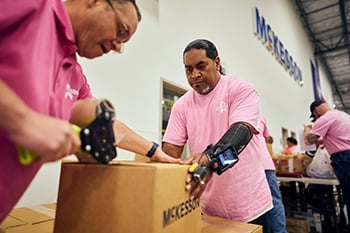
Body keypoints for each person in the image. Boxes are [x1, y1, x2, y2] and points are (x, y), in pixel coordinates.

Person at [0, 0, 180, 223]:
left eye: (122, 43)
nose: (117, 47)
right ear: (93, 2)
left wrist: (154, 151)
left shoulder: (75, 75)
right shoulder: (32, 6)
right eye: (120, 31)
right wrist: (22, 121)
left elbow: (105, 125)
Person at [162, 39, 273, 232]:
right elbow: (171, 150)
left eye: (201, 66)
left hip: (250, 207)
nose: (195, 75)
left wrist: (211, 161)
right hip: (206, 207)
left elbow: (242, 132)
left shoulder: (240, 89)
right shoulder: (182, 105)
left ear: (217, 62)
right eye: (188, 69)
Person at [304, 100, 350, 224]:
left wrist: (307, 130)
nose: (316, 118)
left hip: (344, 159)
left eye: (315, 116)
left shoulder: (325, 118)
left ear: (316, 110)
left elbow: (309, 140)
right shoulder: (343, 115)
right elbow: (335, 138)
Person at [259, 114, 288, 233]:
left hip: (260, 165)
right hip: (265, 165)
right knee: (273, 200)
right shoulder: (260, 115)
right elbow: (268, 138)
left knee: (272, 201)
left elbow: (268, 139)